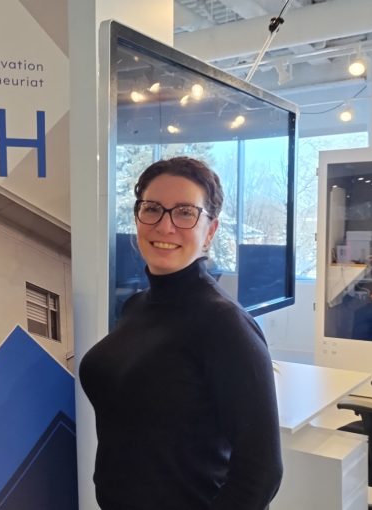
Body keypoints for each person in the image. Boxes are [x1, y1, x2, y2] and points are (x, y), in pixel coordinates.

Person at [79, 157, 283, 510]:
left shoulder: (224, 323)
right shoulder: (136, 307)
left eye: (185, 212)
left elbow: (261, 471)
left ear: (210, 230)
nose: (165, 226)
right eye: (152, 209)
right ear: (138, 217)